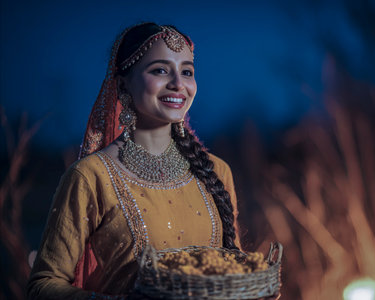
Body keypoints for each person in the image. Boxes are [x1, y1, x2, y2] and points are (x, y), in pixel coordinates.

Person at [27, 22, 279, 300]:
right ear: (123, 84)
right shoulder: (91, 176)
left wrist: (254, 290)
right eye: (160, 70)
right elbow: (42, 286)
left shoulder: (216, 171)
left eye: (187, 72)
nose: (178, 84)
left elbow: (232, 270)